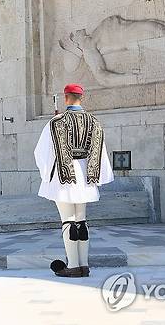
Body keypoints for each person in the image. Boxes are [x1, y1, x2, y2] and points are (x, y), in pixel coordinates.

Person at [34, 84, 114, 277]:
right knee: (82, 220)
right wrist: (99, 177)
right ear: (81, 97)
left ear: (66, 97)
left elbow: (41, 152)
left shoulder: (56, 122)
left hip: (63, 178)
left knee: (68, 221)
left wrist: (46, 175)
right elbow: (100, 152)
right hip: (86, 177)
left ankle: (73, 265)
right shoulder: (94, 121)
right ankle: (84, 265)